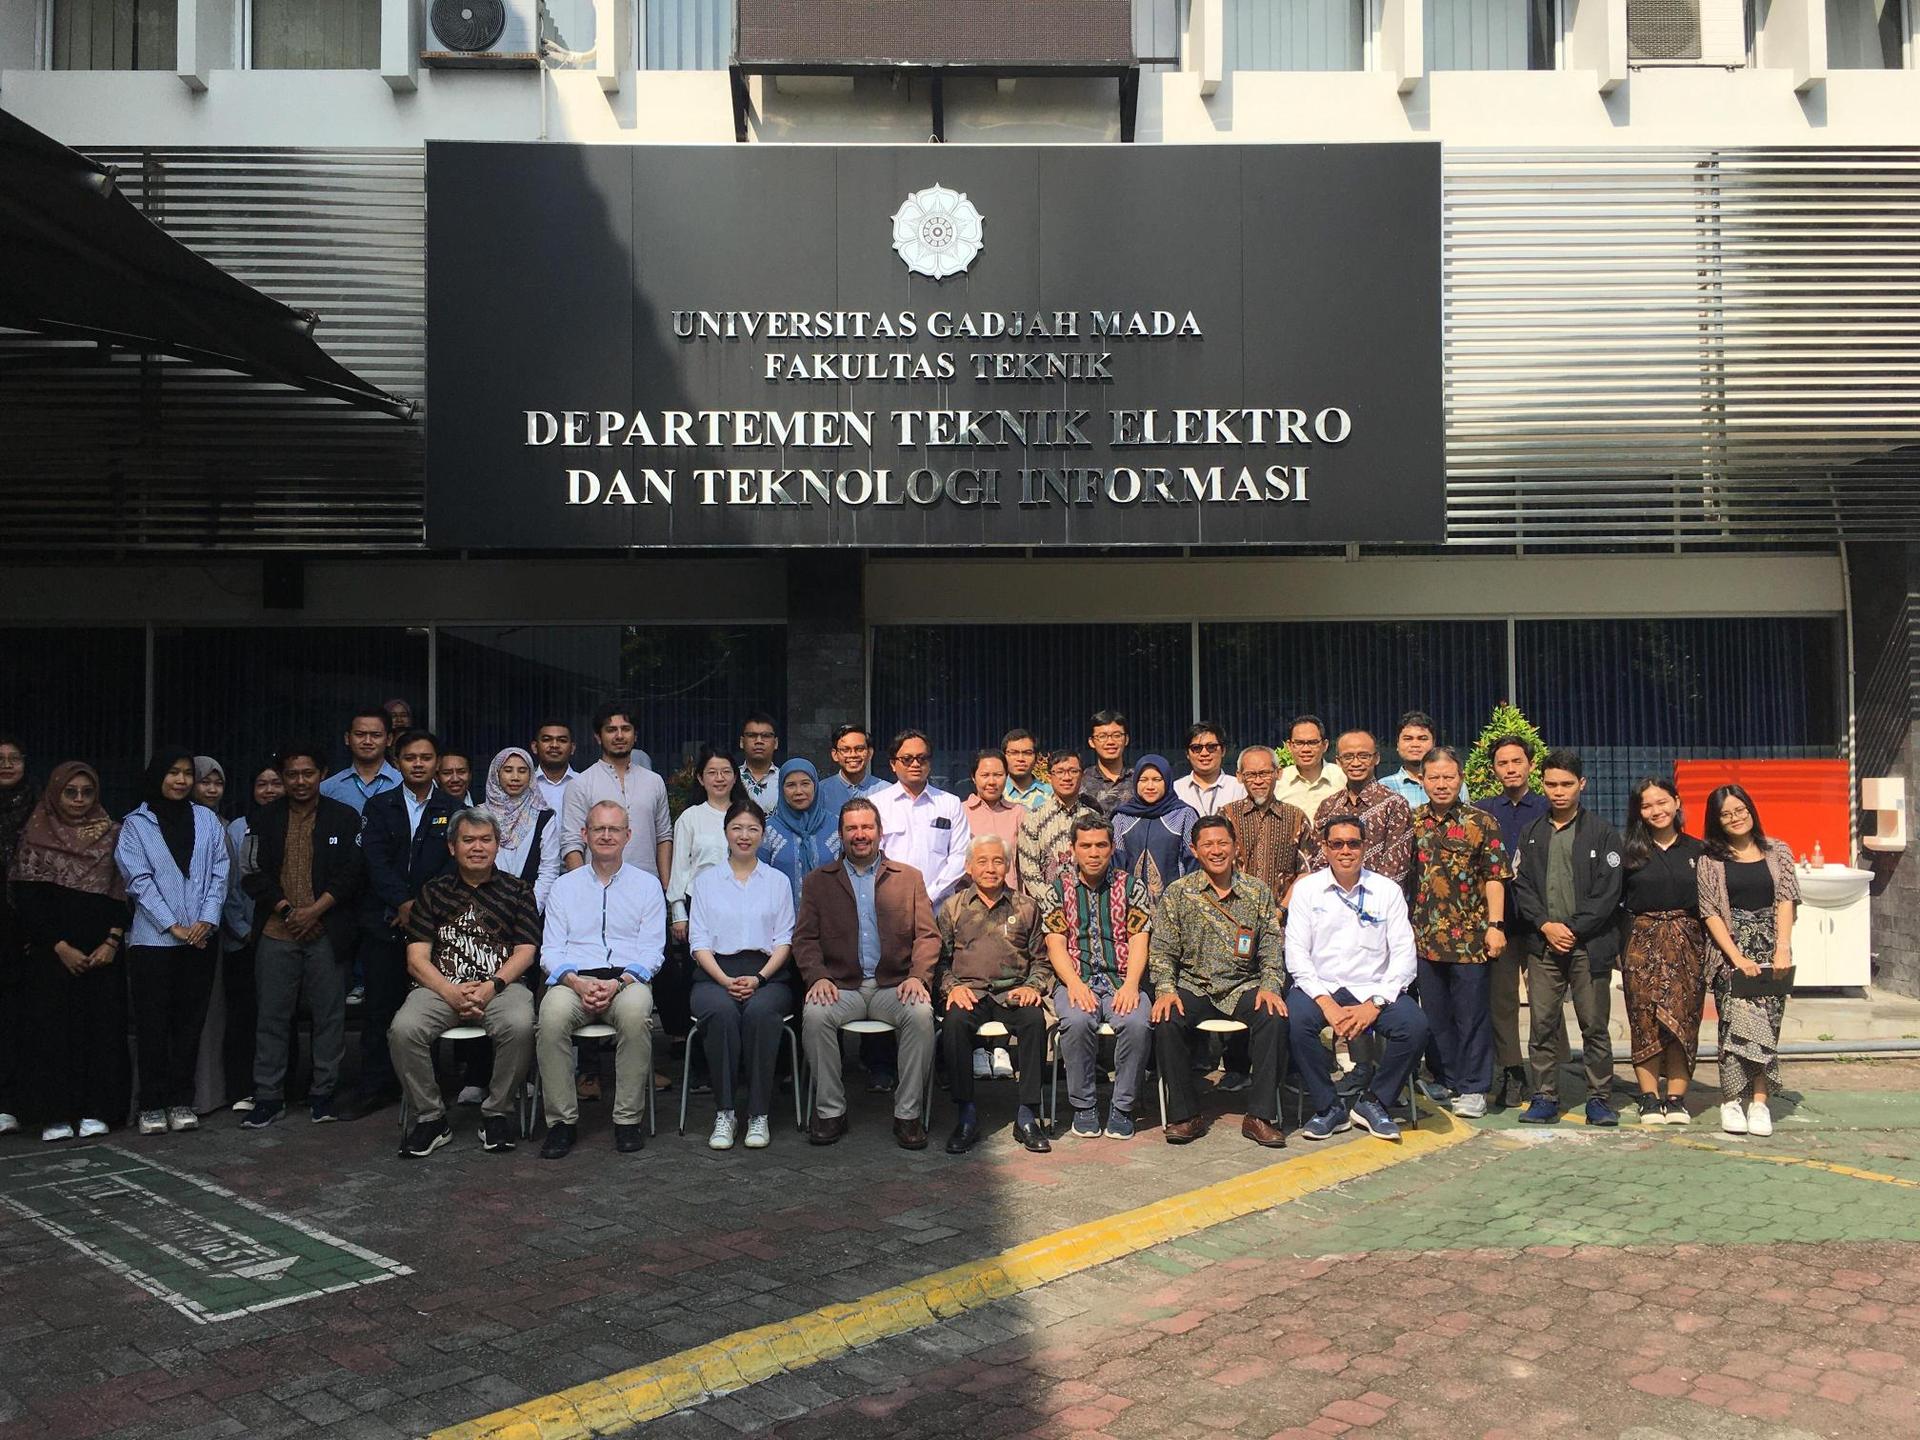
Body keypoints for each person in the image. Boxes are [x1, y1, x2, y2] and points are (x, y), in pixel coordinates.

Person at [389, 808, 539, 1157]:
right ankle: (430, 1118)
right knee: (403, 1030)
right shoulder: (433, 892)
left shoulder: (518, 890)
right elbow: (416, 959)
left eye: (486, 840)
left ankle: (497, 1112)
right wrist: (450, 992)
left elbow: (526, 952)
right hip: (440, 988)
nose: (477, 847)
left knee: (520, 1025)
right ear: (452, 847)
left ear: (498, 845)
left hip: (501, 987)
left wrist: (491, 986)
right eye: (468, 840)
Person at [793, 797, 939, 1148]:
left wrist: (918, 976)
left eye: (866, 827)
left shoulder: (908, 878)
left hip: (895, 986)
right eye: (852, 828)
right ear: (841, 834)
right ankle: (830, 1111)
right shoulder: (818, 882)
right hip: (842, 987)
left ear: (879, 832)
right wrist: (818, 976)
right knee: (815, 1015)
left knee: (921, 1015)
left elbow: (928, 936)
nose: (860, 834)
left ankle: (908, 1114)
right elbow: (804, 939)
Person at [241, 743, 365, 1127]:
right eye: (291, 774)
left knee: (329, 1016)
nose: (299, 781)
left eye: (307, 773)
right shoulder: (263, 818)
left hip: (327, 930)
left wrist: (315, 910)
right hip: (276, 930)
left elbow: (353, 872)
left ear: (322, 774)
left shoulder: (344, 817)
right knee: (272, 1016)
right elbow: (251, 872)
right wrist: (287, 910)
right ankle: (268, 1096)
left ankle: (323, 1094)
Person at [1286, 814, 1429, 1143]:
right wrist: (1326, 1004)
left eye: (1353, 843)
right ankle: (1329, 1107)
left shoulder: (1387, 891)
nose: (1345, 851)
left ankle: (1374, 1102)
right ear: (1325, 848)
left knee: (1415, 1026)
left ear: (1364, 847)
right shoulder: (1307, 890)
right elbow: (1296, 954)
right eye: (1337, 844)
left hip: (1373, 988)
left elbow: (1404, 956)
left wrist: (1374, 1005)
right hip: (1320, 986)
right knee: (1293, 1023)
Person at [538, 800, 668, 1159]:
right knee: (550, 1018)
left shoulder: (647, 886)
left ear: (628, 835)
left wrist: (619, 983)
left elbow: (652, 951)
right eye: (599, 828)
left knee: (636, 1015)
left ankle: (627, 1120)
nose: (606, 835)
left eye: (614, 829)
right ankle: (561, 1123)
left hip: (626, 981)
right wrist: (576, 982)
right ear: (585, 834)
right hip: (574, 980)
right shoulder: (564, 887)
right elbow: (550, 950)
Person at [1149, 815, 1288, 1146]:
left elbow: (1271, 948)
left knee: (1274, 1016)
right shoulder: (1178, 893)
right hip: (1194, 985)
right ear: (1194, 850)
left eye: (1223, 843)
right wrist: (1165, 989)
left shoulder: (1256, 891)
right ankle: (1185, 1115)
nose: (1216, 850)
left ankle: (1260, 1115)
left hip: (1242, 985)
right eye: (1208, 844)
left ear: (1235, 847)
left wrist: (1270, 985)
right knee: (1167, 1018)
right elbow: (1162, 951)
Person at [9, 762, 130, 1141]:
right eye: (70, 792)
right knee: (52, 1032)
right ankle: (55, 1114)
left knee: (101, 1031)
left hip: (101, 955)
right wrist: (60, 947)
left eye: (87, 792)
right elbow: (26, 901)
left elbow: (122, 893)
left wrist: (111, 942)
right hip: (52, 955)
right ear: (55, 793)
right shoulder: (35, 835)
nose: (79, 799)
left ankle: (98, 1109)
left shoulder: (112, 835)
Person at [115, 749, 230, 1135]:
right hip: (153, 943)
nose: (180, 781)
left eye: (186, 774)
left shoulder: (207, 819)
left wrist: (206, 920)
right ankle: (151, 1104)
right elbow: (138, 881)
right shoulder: (136, 824)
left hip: (200, 939)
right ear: (157, 777)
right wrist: (173, 926)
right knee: (152, 1026)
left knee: (189, 1024)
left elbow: (220, 872)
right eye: (172, 773)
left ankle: (181, 1100)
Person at [349, 728, 462, 1116]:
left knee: (428, 1006)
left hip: (433, 926)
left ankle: (427, 1088)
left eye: (426, 758)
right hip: (385, 922)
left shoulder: (453, 808)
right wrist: (401, 902)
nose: (418, 764)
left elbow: (453, 863)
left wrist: (421, 906)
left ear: (437, 763)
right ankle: (374, 1087)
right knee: (380, 1008)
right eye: (410, 758)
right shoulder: (379, 806)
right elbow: (374, 861)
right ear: (397, 762)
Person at [1510, 748, 1625, 1127]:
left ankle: (1599, 1099)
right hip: (1543, 946)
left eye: (1566, 784)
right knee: (1542, 1023)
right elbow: (1522, 884)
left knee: (1594, 1025)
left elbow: (1608, 893)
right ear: (1542, 785)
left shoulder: (1603, 833)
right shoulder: (1532, 833)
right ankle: (1544, 1097)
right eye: (1551, 784)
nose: (1558, 792)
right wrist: (1545, 925)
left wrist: (1573, 929)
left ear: (1582, 784)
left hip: (1588, 947)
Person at [1405, 747, 1508, 1119]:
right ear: (1422, 780)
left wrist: (1495, 926)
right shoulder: (1413, 822)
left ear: (1460, 778)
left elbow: (1495, 877)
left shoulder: (1481, 821)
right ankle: (1446, 1079)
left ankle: (1474, 1087)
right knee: (1435, 1015)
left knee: (1472, 1016)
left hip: (1470, 938)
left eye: (1448, 777)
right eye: (1434, 777)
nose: (1441, 784)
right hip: (1424, 938)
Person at [688, 800, 795, 1151]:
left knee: (761, 1013)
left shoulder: (777, 881)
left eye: (752, 829)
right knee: (720, 1013)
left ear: (762, 834)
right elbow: (698, 942)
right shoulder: (706, 882)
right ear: (726, 833)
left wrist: (759, 979)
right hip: (715, 973)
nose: (744, 835)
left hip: (768, 975)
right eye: (737, 828)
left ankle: (758, 1113)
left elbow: (784, 940)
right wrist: (724, 980)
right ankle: (726, 1112)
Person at [937, 834, 1050, 1155]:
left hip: (1012, 993)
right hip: (969, 993)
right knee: (954, 1024)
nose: (990, 868)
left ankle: (1027, 1115)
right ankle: (966, 1114)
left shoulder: (1026, 907)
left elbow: (1042, 960)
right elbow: (939, 961)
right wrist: (952, 987)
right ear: (969, 867)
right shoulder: (953, 907)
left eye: (998, 861)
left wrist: (1033, 986)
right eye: (982, 861)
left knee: (1034, 1020)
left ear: (1008, 866)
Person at [1697, 786, 1800, 1138]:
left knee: (1768, 1027)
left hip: (1772, 953)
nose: (1735, 818)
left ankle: (1759, 1103)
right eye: (1726, 814)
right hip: (1731, 955)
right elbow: (1710, 912)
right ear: (1717, 821)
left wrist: (1782, 948)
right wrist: (1736, 957)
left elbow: (1786, 899)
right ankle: (1731, 1101)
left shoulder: (1778, 851)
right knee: (1733, 1029)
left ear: (1751, 810)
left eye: (1740, 810)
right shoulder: (1710, 860)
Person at [1043, 816, 1153, 1141]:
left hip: (1122, 980)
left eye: (1101, 845)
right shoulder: (1058, 889)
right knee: (1077, 1022)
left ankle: (1122, 1107)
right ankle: (1084, 1105)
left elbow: (1139, 940)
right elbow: (1055, 944)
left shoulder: (1132, 887)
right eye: (1086, 846)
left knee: (1136, 1023)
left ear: (1112, 847)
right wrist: (1075, 984)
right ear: (1073, 849)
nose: (1094, 853)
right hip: (1077, 980)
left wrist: (1131, 985)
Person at [1619, 776, 1709, 1126]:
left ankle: (1676, 1098)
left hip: (1688, 946)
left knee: (1684, 1019)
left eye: (1662, 802)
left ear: (1677, 802)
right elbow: (1615, 903)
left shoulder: (1699, 851)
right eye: (1647, 806)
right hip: (1641, 946)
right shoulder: (1629, 853)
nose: (1656, 811)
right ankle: (1649, 1098)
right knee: (1644, 1020)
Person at [1474, 734, 1547, 1108]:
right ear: (1493, 769)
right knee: (1501, 1001)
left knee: (1544, 1003)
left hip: (1541, 923)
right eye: (1502, 763)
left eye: (1517, 761)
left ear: (1531, 765)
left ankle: (1546, 1073)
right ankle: (1511, 1069)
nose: (1510, 769)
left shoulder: (1548, 807)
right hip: (1499, 923)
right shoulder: (1483, 811)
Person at [220, 761, 283, 1111]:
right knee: (244, 1016)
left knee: (279, 1014)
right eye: (262, 784)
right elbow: (230, 885)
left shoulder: (292, 821)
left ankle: (281, 1086)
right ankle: (243, 1087)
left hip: (281, 933)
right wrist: (244, 931)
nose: (269, 790)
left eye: (276, 783)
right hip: (243, 937)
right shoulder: (237, 828)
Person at [561, 701, 673, 880]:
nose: (619, 735)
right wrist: (583, 888)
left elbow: (663, 837)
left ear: (635, 736)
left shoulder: (654, 781)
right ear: (598, 737)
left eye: (626, 729)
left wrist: (665, 887)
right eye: (611, 730)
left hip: (647, 886)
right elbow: (572, 843)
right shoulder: (580, 784)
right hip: (597, 887)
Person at [872, 729, 971, 907]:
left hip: (939, 906)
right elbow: (873, 857)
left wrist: (930, 896)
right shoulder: (876, 805)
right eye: (907, 759)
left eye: (922, 758)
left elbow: (960, 856)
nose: (915, 764)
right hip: (892, 905)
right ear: (893, 764)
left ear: (930, 763)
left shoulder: (950, 803)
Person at [1310, 731, 1414, 884]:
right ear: (1338, 761)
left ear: (1376, 758)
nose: (1356, 763)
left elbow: (1395, 868)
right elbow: (1319, 861)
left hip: (1378, 896)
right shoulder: (1328, 806)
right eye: (1348, 757)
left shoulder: (1394, 805)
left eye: (1364, 756)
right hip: (1332, 895)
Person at [667, 747, 748, 942]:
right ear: (701, 779)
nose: (719, 778)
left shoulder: (747, 815)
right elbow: (680, 868)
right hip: (699, 903)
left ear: (735, 777)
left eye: (726, 772)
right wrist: (679, 914)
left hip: (743, 901)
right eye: (712, 773)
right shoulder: (690, 817)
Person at [1221, 746, 1314, 913]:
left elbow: (1305, 871)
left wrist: (1282, 910)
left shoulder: (1296, 817)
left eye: (1265, 773)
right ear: (1239, 777)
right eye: (1251, 775)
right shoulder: (1227, 816)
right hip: (1235, 915)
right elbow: (1214, 867)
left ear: (1278, 773)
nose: (1258, 781)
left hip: (1285, 917)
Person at [1018, 749, 1103, 905]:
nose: (1067, 777)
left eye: (1073, 771)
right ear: (1050, 776)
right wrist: (1053, 903)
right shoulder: (1033, 818)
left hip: (1089, 905)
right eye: (1060, 772)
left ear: (1082, 775)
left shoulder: (1094, 818)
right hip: (1047, 909)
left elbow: (1101, 862)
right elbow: (1028, 870)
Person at [481, 748, 562, 912]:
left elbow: (549, 870)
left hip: (530, 909)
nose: (515, 777)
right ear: (496, 773)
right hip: (484, 907)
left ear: (531, 775)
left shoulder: (543, 817)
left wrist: (530, 909)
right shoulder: (479, 816)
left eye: (522, 771)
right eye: (508, 770)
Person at [1113, 756, 1199, 902]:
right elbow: (1116, 864)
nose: (1150, 786)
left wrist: (1188, 900)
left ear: (1167, 781)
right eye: (1143, 780)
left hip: (1175, 902)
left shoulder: (1183, 814)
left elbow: (1193, 863)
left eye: (1157, 780)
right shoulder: (1122, 817)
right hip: (1130, 902)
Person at [0, 736, 31, 1136]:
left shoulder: (40, 807)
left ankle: (15, 1101)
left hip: (27, 925)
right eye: (0, 759)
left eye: (14, 758)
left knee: (19, 1016)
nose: (7, 765)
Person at [761, 758, 840, 905]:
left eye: (805, 784)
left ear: (815, 786)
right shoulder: (768, 830)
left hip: (830, 915)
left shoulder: (836, 826)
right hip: (781, 916)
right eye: (791, 785)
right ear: (781, 789)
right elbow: (758, 880)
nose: (799, 791)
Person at [960, 748, 1025, 891]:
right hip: (969, 898)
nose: (992, 782)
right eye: (985, 775)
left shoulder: (1018, 813)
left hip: (1010, 897)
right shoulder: (960, 812)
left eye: (998, 775)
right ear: (973, 777)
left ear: (1007, 777)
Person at [319, 707, 401, 814]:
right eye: (360, 734)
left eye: (376, 735)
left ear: (389, 739)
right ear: (347, 738)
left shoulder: (404, 783)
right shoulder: (327, 788)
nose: (367, 741)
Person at [1173, 722, 1246, 817]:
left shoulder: (1239, 788)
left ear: (1223, 751)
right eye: (1196, 748)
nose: (1204, 753)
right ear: (1187, 753)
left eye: (1211, 747)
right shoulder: (1176, 790)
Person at [816, 724, 886, 819]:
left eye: (859, 749)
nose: (853, 755)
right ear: (835, 754)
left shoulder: (886, 791)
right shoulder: (820, 792)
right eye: (845, 750)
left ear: (870, 753)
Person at [1275, 715, 1339, 816]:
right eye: (1299, 743)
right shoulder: (1278, 782)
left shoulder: (1342, 778)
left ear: (1325, 745)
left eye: (1313, 743)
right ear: (1289, 746)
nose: (1306, 749)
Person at [1082, 710, 1135, 816]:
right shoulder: (1081, 781)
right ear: (1091, 742)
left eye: (1117, 735)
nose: (1110, 742)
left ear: (1126, 739)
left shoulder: (1139, 779)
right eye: (1102, 736)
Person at [1380, 710, 1436, 808]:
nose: (1415, 744)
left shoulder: (1452, 785)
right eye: (1408, 739)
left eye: (1422, 739)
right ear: (1397, 744)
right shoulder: (1383, 787)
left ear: (1434, 743)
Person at [532, 718, 579, 814]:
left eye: (562, 740)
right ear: (535, 747)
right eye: (547, 740)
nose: (554, 745)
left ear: (572, 748)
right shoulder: (524, 785)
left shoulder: (584, 784)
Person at [737, 712, 781, 811]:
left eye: (766, 736)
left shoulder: (785, 780)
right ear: (742, 742)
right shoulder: (730, 778)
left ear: (775, 743)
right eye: (752, 735)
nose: (759, 741)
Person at [1001, 729, 1052, 813]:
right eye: (1014, 753)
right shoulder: (996, 792)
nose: (1020, 759)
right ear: (1003, 757)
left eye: (1027, 753)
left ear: (1037, 758)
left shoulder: (1050, 794)